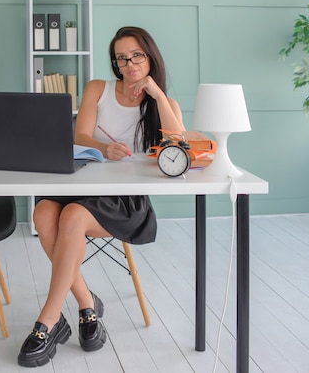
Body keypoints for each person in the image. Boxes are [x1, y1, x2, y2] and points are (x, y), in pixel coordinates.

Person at [17, 26, 185, 367]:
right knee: (43, 215)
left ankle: (48, 321)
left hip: (126, 199)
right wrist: (104, 147)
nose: (130, 64)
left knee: (73, 217)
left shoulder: (164, 103)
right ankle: (86, 305)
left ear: (150, 56)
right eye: (122, 58)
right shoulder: (98, 88)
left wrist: (156, 94)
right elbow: (80, 134)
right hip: (84, 183)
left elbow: (178, 142)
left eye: (137, 55)